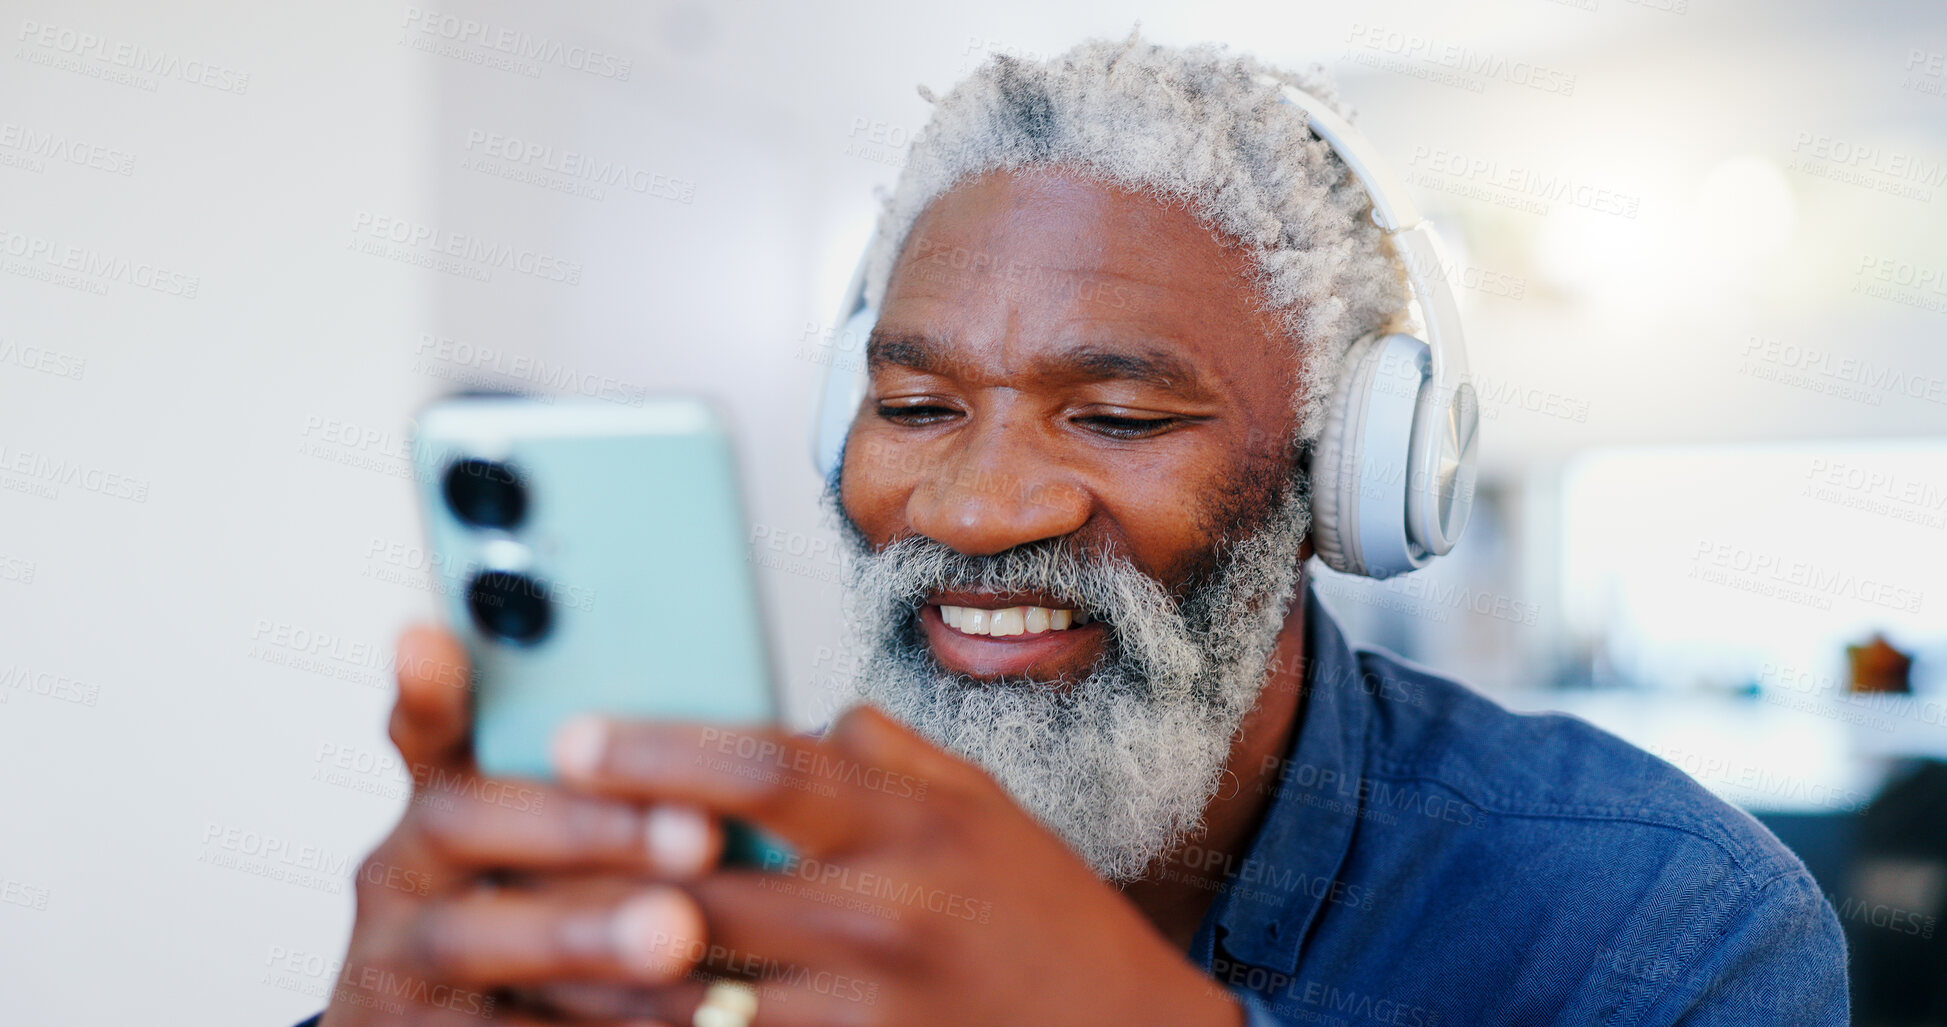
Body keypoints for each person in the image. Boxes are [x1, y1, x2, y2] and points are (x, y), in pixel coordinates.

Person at [296, 32, 1848, 1027]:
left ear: (1349, 473)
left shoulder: (1657, 922)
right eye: (913, 409)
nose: (978, 509)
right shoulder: (732, 879)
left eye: (1114, 417)